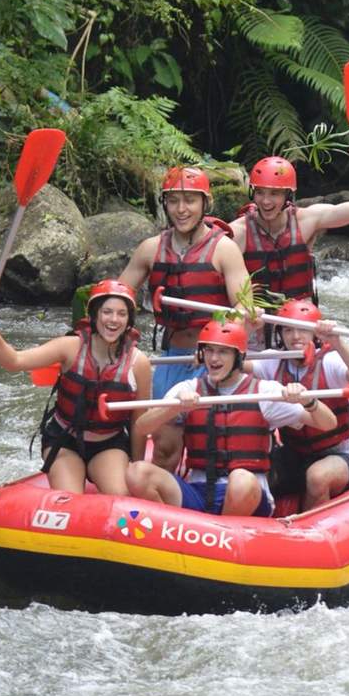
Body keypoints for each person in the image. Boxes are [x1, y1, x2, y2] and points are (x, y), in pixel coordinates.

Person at [117, 165, 256, 470]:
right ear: (164, 204)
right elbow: (116, 297)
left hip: (216, 359)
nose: (181, 209)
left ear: (205, 203)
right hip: (173, 358)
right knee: (165, 448)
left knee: (212, 444)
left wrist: (213, 348)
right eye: (173, 201)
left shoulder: (225, 249)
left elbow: (244, 308)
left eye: (190, 200)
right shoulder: (150, 249)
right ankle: (162, 496)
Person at [125, 319, 336, 517]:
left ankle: (216, 534)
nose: (214, 358)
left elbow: (328, 424)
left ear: (238, 357)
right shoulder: (188, 388)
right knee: (137, 472)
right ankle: (174, 528)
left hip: (248, 495)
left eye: (223, 352)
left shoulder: (264, 392)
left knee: (240, 480)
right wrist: (173, 408)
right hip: (199, 490)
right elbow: (143, 427)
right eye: (209, 350)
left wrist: (308, 401)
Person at [0, 279, 152, 495]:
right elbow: (15, 361)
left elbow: (138, 423)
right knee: (70, 500)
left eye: (122, 314)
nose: (114, 320)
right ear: (94, 315)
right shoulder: (69, 347)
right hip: (65, 440)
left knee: (120, 496)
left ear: (129, 319)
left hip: (109, 443)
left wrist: (136, 469)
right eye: (107, 312)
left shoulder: (139, 363)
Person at [250, 299, 349, 511]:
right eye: (288, 330)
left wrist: (338, 343)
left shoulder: (329, 360)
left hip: (340, 453)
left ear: (314, 333)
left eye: (303, 330)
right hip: (294, 452)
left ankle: (311, 524)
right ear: (280, 334)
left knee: (317, 477)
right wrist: (247, 328)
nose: (295, 336)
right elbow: (232, 366)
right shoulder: (273, 360)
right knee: (254, 472)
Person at [230, 149, 349, 310]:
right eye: (260, 192)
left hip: (300, 318)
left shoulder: (307, 220)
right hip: (257, 318)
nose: (266, 201)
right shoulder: (239, 232)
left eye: (274, 193)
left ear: (288, 195)